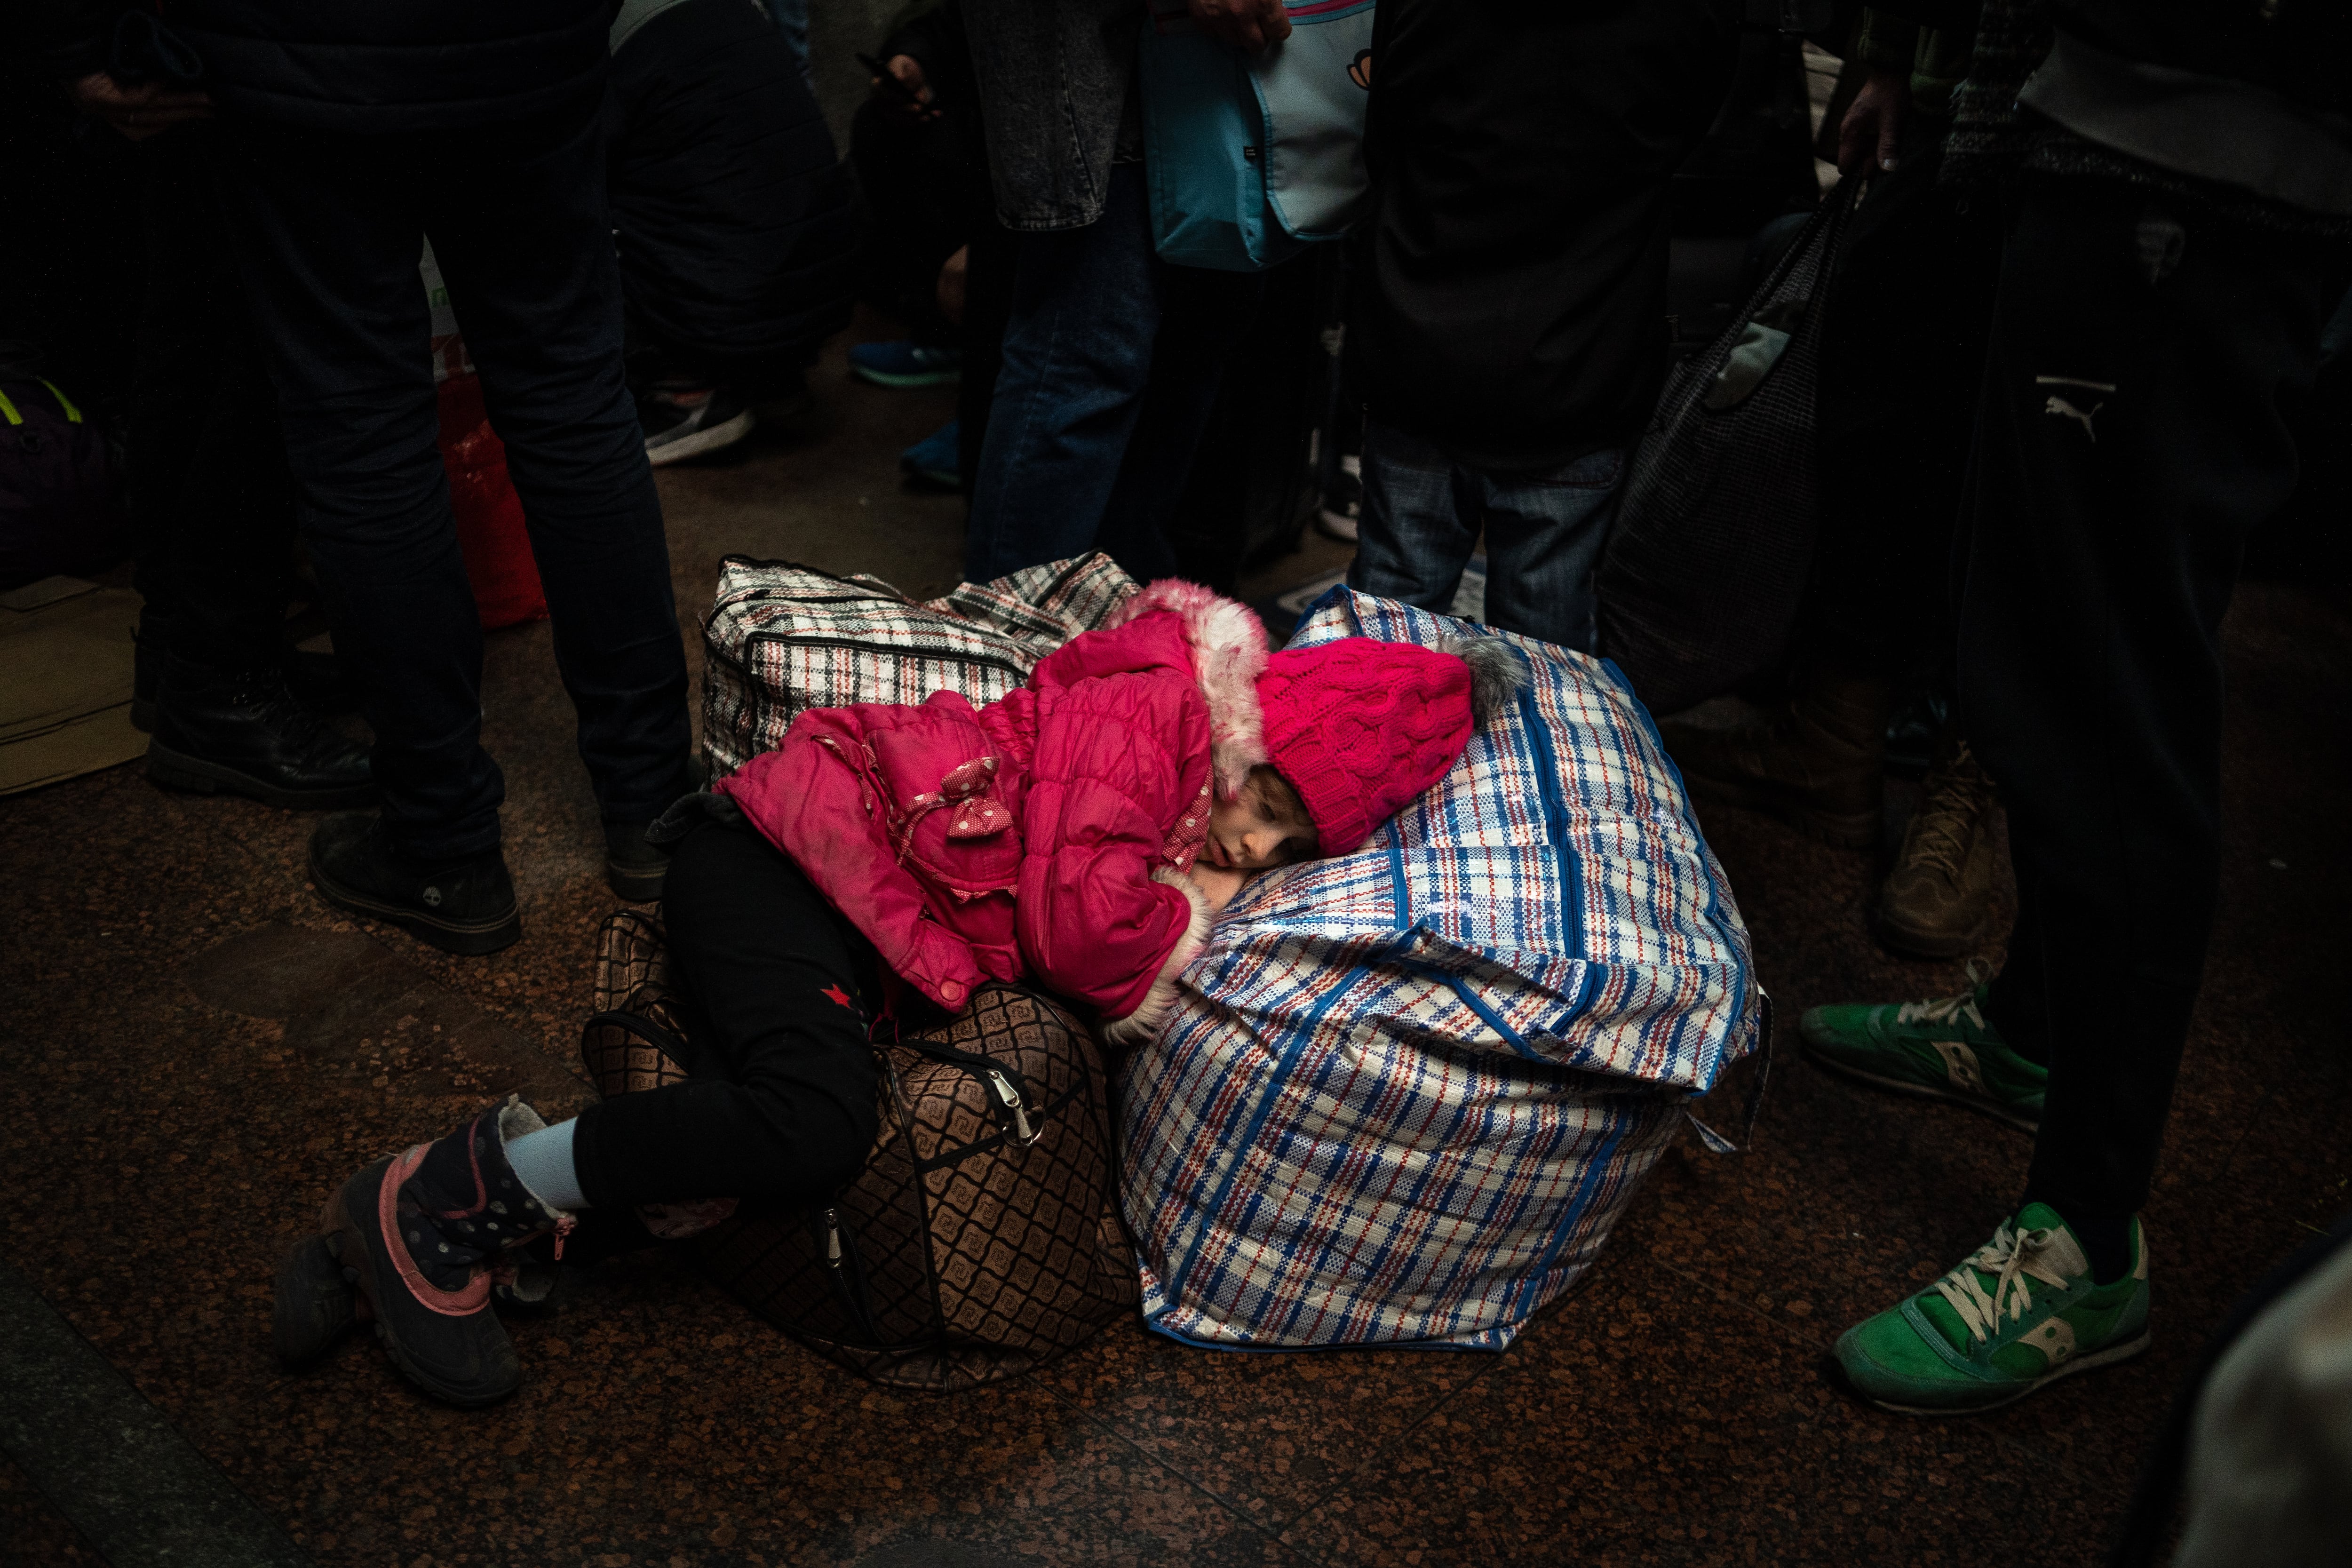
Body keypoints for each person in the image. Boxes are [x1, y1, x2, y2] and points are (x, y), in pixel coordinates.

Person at [271, 579, 1521, 1405]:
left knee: (768, 1117)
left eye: (1293, 849)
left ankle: (461, 1210)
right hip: (781, 857)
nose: (1254, 852)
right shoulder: (1157, 719)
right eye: (1271, 807)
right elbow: (1083, 933)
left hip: (832, 891)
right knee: (813, 1120)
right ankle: (437, 1195)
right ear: (1253, 734)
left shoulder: (1181, 763)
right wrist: (1194, 912)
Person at [1801, 0, 2352, 1414]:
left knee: (2107, 701)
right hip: (2096, 128)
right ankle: (2032, 1027)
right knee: (2021, 638)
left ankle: (2086, 1233)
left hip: (2206, 173)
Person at [156, 0, 698, 945]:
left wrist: (81, 43)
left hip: (308, 60)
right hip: (524, 46)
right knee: (572, 398)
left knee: (360, 424)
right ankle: (653, 802)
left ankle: (443, 842)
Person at [1661, 1, 2009, 960]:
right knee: (1878, 433)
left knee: (2021, 479)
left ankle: (1970, 779)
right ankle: (1834, 743)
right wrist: (1894, 55)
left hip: (2086, 123)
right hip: (1955, 91)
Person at [1343, 0, 1741, 653]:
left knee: (1387, 636)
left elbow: (1386, 126)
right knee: (1545, 656)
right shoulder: (1684, 15)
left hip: (1422, 336)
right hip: (1583, 351)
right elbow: (1691, 129)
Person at [46, 38, 370, 811]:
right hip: (244, 55)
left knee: (198, 328)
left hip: (208, 52)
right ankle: (218, 678)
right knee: (257, 354)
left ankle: (188, 651)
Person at [956, 0, 1283, 585]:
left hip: (1221, 80)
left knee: (1186, 371)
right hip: (1102, 71)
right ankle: (1019, 644)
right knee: (1085, 364)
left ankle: (1124, 635)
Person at [608, 0, 862, 466]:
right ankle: (770, 378)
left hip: (728, 301)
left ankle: (684, 394)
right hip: (822, 286)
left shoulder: (595, 31)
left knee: (566, 219)